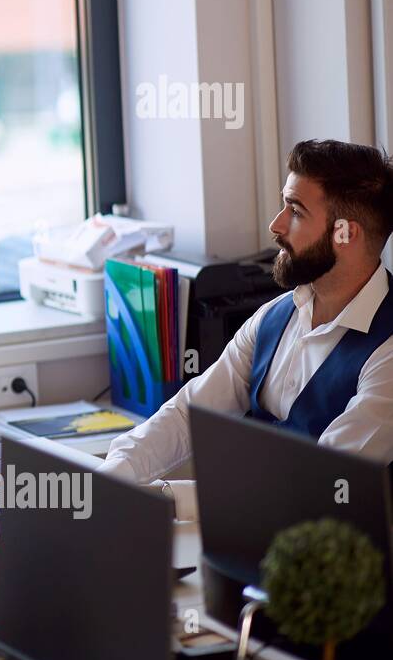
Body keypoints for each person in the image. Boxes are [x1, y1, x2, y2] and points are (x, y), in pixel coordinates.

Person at [100, 140, 393, 519]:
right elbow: (188, 413)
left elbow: (323, 486)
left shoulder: (387, 350)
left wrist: (170, 499)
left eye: (296, 211)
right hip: (247, 539)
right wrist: (112, 478)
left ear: (346, 234)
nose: (276, 225)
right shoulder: (274, 317)